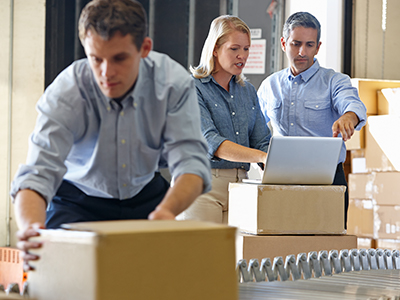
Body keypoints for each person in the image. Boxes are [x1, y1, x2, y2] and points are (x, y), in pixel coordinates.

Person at [11, 0, 211, 269]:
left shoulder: (173, 84)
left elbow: (191, 164)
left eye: (119, 58)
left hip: (146, 198)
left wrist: (167, 212)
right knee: (54, 274)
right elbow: (38, 173)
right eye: (96, 59)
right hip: (77, 200)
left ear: (144, 49)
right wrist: (33, 230)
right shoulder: (67, 91)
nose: (106, 73)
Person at [257, 12, 367, 228]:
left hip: (327, 179)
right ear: (283, 43)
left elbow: (353, 104)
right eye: (296, 44)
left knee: (326, 250)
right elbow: (254, 129)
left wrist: (348, 116)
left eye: (309, 45)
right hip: (281, 179)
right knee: (282, 246)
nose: (302, 52)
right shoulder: (270, 86)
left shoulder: (334, 81)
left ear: (318, 47)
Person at [177, 15, 271, 224]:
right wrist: (262, 157)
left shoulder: (248, 92)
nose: (242, 56)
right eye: (234, 48)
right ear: (215, 49)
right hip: (202, 187)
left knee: (235, 256)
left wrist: (278, 158)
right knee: (204, 255)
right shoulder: (191, 88)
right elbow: (211, 142)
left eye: (246, 49)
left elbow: (261, 140)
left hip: (241, 187)